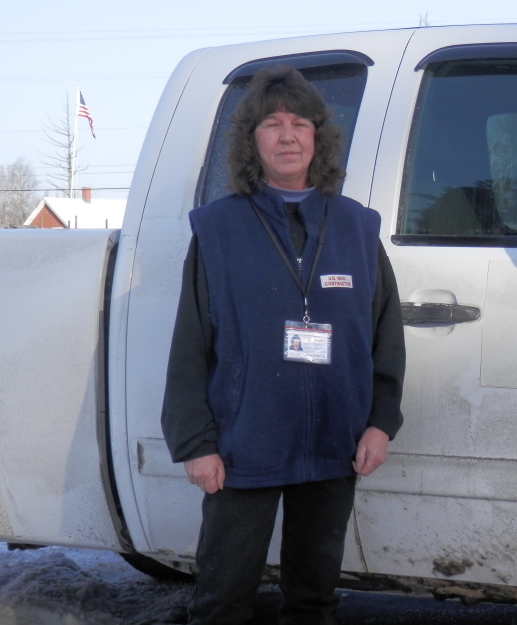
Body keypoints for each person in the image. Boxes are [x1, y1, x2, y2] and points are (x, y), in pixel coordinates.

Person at [161, 66, 405, 625]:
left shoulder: (356, 228)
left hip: (335, 440)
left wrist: (379, 421)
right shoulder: (218, 230)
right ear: (252, 140)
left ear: (319, 137)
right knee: (222, 599)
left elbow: (384, 332)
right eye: (272, 124)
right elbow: (191, 342)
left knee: (314, 599)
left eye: (300, 123)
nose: (287, 135)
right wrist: (196, 443)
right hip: (243, 443)